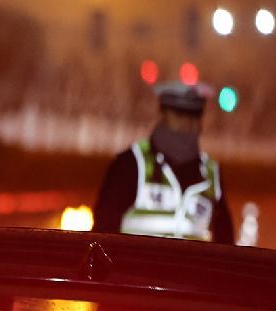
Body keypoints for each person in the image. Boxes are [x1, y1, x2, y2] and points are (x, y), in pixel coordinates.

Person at [91, 80, 234, 243]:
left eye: (194, 117)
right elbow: (102, 235)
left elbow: (225, 243)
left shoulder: (210, 174)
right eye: (179, 115)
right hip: (135, 261)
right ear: (163, 115)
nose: (187, 124)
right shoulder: (131, 164)